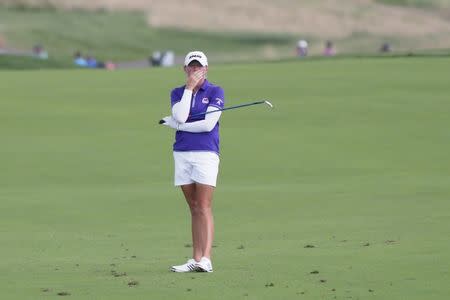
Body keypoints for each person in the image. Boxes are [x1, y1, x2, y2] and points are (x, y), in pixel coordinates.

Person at [160, 51, 225, 273]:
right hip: (182, 152)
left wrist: (178, 126)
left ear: (206, 69)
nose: (195, 70)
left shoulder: (216, 91)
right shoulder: (178, 92)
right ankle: (195, 258)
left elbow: (207, 125)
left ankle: (206, 259)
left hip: (206, 153)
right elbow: (180, 115)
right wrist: (189, 88)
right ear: (185, 69)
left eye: (199, 67)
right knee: (194, 207)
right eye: (191, 67)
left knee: (204, 205)